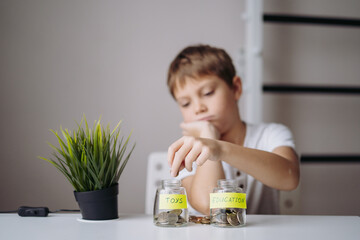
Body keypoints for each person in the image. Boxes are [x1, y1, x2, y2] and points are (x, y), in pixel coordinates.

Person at [166, 44, 300, 215]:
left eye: (208, 93)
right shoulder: (185, 153)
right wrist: (208, 135)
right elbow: (209, 206)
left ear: (236, 88)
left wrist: (219, 148)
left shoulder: (272, 134)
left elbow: (289, 178)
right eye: (185, 103)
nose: (198, 108)